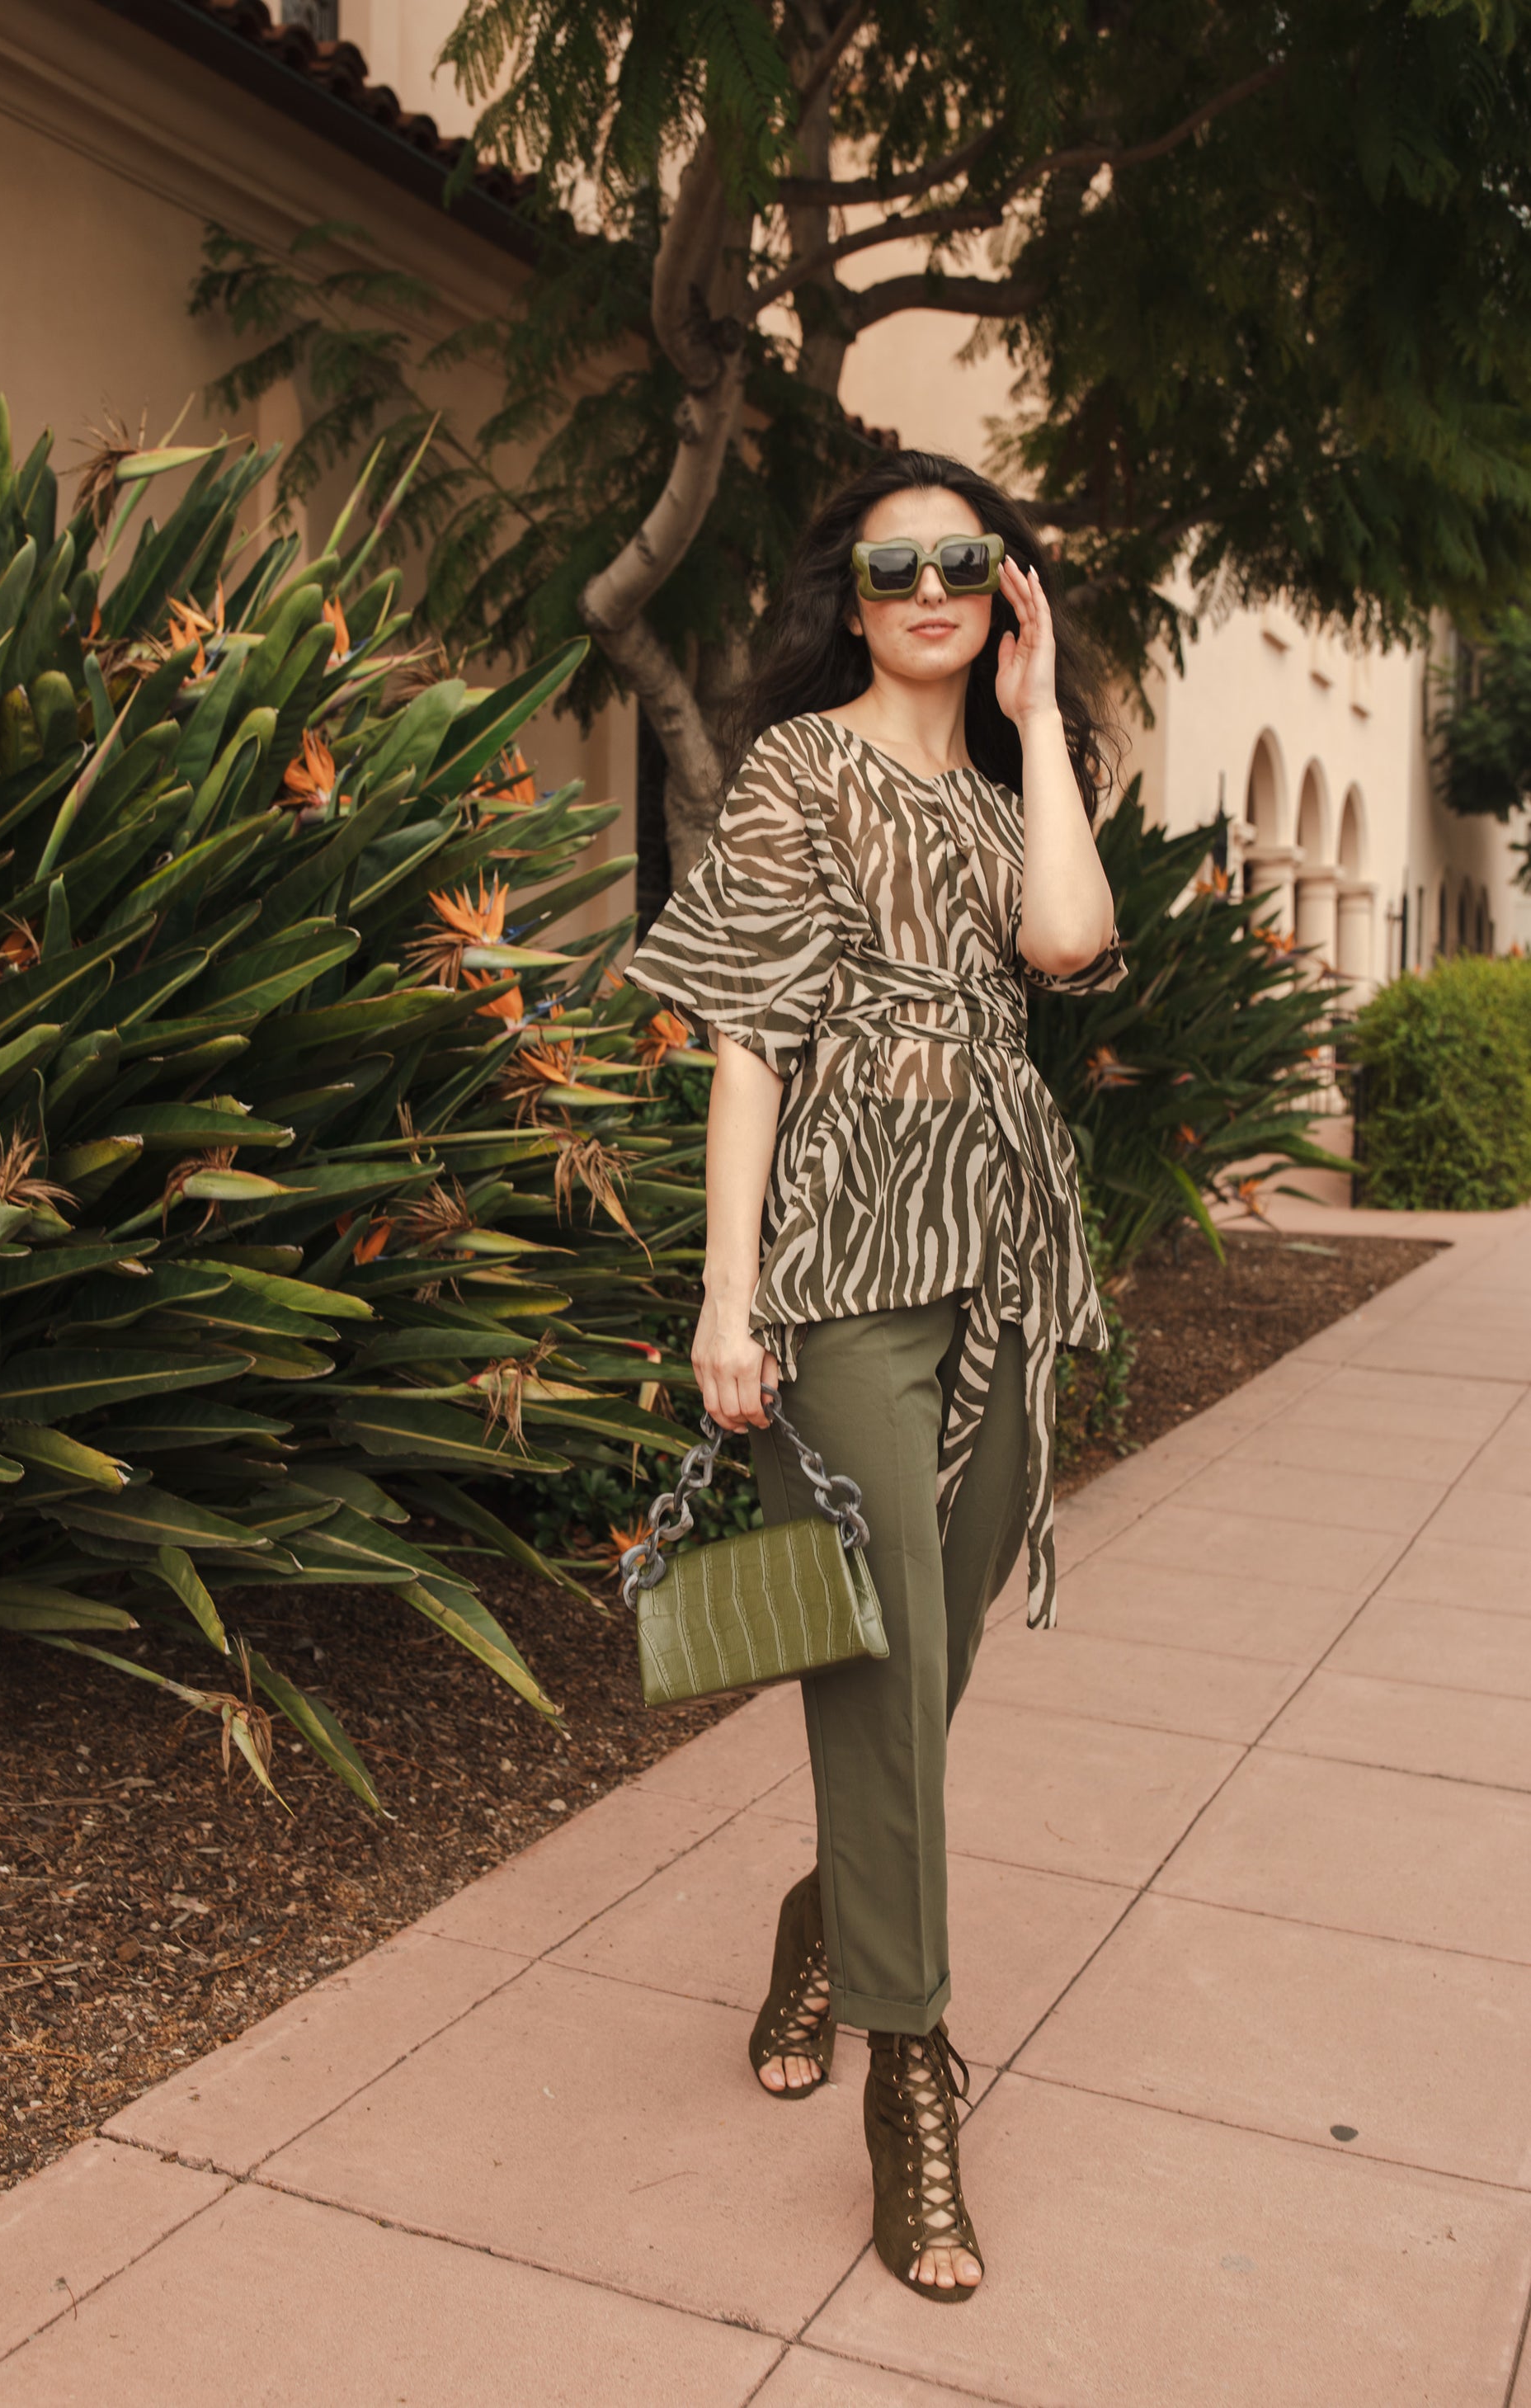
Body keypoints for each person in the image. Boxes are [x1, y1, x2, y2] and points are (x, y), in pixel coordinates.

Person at [624, 450, 1123, 2304]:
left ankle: (824, 1916)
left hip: (994, 1253)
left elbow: (1067, 948)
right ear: (849, 593)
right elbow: (748, 1043)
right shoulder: (795, 770)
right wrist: (724, 1299)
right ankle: (911, 2087)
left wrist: (1041, 714)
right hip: (837, 1260)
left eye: (962, 558)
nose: (925, 583)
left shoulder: (1009, 788)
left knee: (944, 1636)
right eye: (890, 560)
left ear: (1001, 585)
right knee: (884, 1647)